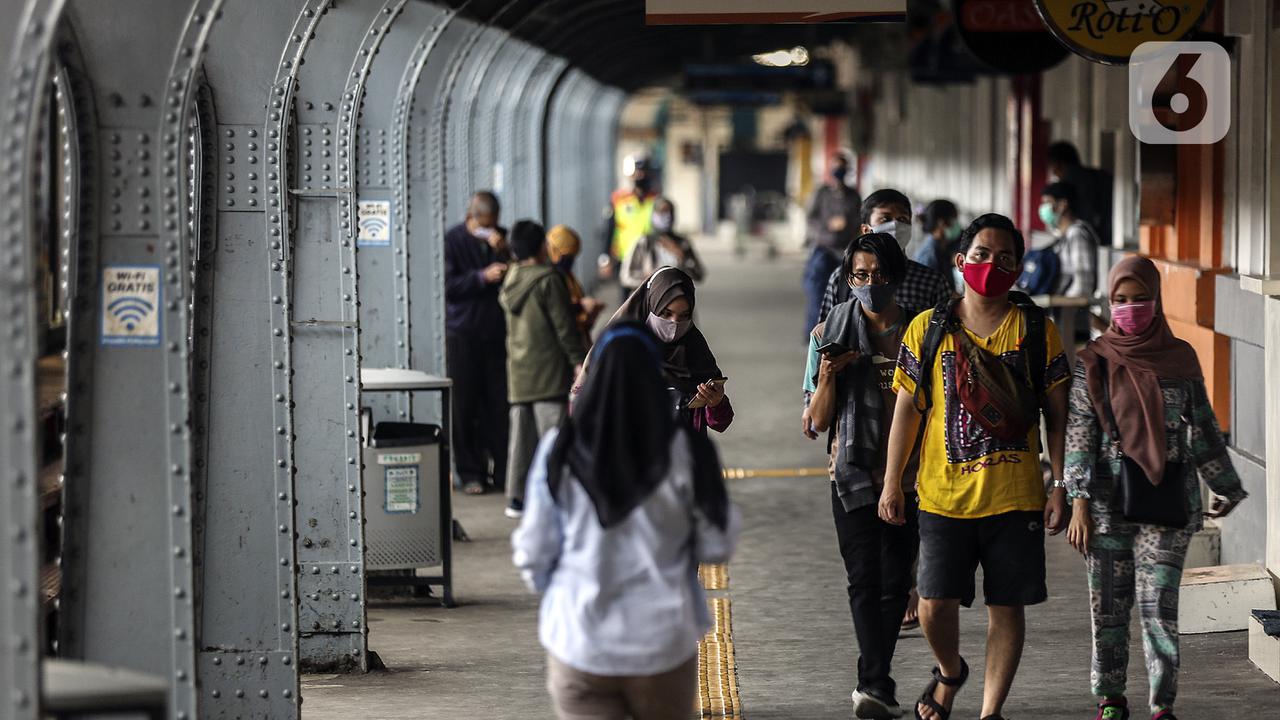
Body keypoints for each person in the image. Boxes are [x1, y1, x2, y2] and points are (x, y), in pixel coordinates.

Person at [879, 213, 1071, 720]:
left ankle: (991, 712)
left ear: (1019, 268)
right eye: (982, 254)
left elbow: (1059, 417)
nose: (992, 265)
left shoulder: (1036, 331)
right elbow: (905, 410)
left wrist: (1061, 486)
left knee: (1005, 607)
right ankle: (950, 671)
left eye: (1005, 258)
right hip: (943, 497)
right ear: (960, 262)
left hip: (1016, 497)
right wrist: (891, 482)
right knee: (932, 606)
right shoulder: (928, 328)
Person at [512, 322, 740, 720]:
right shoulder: (687, 448)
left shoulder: (559, 447)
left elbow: (533, 551)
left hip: (580, 644)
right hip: (663, 645)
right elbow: (717, 542)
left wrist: (564, 595)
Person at [1064, 256, 1247, 720]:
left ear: (1156, 299)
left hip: (1169, 501)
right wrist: (1078, 503)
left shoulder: (1180, 357)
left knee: (1158, 605)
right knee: (1108, 606)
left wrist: (1223, 484)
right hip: (1106, 505)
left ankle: (1162, 705)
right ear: (1110, 301)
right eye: (1120, 300)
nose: (1130, 308)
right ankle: (1110, 697)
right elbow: (1080, 434)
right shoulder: (1095, 362)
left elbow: (1202, 425)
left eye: (1139, 299)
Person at [807, 233, 921, 719]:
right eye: (860, 275)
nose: (870, 284)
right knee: (863, 580)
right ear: (848, 278)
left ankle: (874, 678)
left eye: (878, 275)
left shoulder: (920, 332)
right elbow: (814, 420)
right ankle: (875, 682)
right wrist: (831, 372)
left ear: (894, 276)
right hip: (851, 473)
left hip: (913, 476)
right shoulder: (827, 332)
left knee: (896, 582)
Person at [499, 220, 589, 519]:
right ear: (542, 247)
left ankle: (516, 498)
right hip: (548, 370)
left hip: (519, 370)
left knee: (520, 440)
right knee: (553, 438)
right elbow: (564, 328)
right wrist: (579, 360)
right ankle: (554, 496)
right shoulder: (549, 279)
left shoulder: (512, 277)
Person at [599, 267, 733, 433]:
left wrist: (716, 403)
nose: (674, 323)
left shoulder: (697, 351)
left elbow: (720, 423)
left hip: (684, 455)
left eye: (684, 315)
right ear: (651, 307)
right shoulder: (624, 352)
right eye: (666, 313)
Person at [444, 191, 511, 495]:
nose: (490, 230)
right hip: (463, 333)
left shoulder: (502, 239)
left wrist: (503, 251)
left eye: (494, 225)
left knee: (497, 405)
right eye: (485, 224)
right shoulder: (453, 241)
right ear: (472, 218)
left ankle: (502, 470)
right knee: (465, 404)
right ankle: (470, 472)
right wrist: (482, 277)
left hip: (496, 332)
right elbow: (449, 286)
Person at [816, 189, 952, 329]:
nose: (895, 226)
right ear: (866, 230)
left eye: (902, 219)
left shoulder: (931, 282)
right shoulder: (843, 278)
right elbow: (825, 334)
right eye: (885, 219)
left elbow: (947, 338)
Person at [803, 152, 862, 337]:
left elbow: (859, 220)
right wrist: (827, 226)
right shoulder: (822, 193)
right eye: (836, 167)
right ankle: (812, 334)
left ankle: (838, 333)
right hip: (823, 249)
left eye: (842, 168)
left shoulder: (853, 196)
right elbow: (811, 218)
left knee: (844, 295)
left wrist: (847, 225)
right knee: (816, 293)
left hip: (845, 251)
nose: (839, 171)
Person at [598, 156, 659, 303]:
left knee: (651, 301)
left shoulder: (657, 200)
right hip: (625, 257)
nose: (640, 176)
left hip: (650, 258)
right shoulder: (619, 199)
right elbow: (610, 229)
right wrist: (605, 259)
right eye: (638, 172)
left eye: (644, 172)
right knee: (627, 301)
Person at [620, 197, 706, 289]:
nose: (666, 216)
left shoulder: (682, 243)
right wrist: (652, 281)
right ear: (653, 215)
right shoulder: (644, 242)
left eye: (669, 212)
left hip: (676, 298)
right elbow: (626, 276)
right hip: (650, 299)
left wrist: (682, 256)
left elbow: (699, 274)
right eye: (662, 212)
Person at [546, 224, 605, 345]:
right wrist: (581, 307)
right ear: (554, 251)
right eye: (567, 256)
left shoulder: (568, 277)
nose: (571, 261)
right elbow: (557, 312)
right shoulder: (549, 279)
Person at [1047, 141, 1113, 247]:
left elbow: (1088, 215)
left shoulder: (1073, 183)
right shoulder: (1099, 176)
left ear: (1058, 164)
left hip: (1095, 239)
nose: (1054, 173)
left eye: (1052, 166)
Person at [1039, 182, 1099, 298]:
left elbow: (1083, 285)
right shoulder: (1062, 236)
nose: (1043, 209)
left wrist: (1063, 308)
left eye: (1047, 203)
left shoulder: (1077, 234)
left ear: (1063, 205)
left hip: (1069, 310)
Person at [913, 200, 961, 278]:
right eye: (954, 220)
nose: (957, 225)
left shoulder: (944, 247)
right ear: (941, 222)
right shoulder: (929, 255)